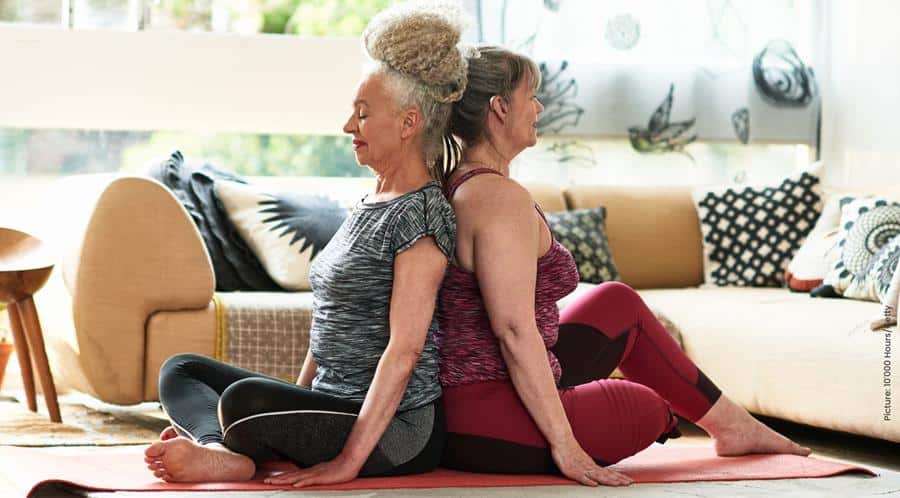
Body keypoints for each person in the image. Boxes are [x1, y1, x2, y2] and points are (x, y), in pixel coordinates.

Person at [435, 46, 812, 488]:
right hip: (489, 414)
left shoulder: (468, 182)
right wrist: (566, 446)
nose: (538, 107)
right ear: (499, 108)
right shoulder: (496, 200)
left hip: (482, 397)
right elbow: (514, 333)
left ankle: (733, 426)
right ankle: (725, 427)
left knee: (617, 301)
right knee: (649, 409)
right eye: (531, 95)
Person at [143, 3, 467, 486]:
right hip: (331, 402)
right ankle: (222, 451)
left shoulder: (422, 214)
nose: (347, 126)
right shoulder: (369, 202)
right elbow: (329, 323)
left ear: (408, 122)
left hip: (394, 430)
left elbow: (405, 350)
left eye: (363, 113)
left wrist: (345, 463)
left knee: (243, 400)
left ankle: (233, 442)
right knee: (182, 368)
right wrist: (287, 414)